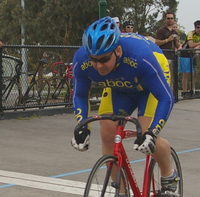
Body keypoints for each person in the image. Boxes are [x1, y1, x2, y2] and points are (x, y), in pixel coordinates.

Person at [71, 16, 178, 196]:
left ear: (118, 50)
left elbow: (166, 98)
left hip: (148, 85)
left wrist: (153, 133)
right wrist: (82, 126)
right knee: (106, 133)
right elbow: (80, 95)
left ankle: (169, 177)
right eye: (93, 59)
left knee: (145, 132)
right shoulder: (82, 60)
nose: (98, 65)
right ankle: (120, 191)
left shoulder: (141, 57)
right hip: (119, 86)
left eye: (104, 59)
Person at [155, 12, 181, 93]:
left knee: (172, 78)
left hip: (172, 57)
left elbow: (177, 45)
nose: (170, 20)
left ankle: (169, 94)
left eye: (171, 18)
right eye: (168, 18)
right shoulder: (161, 30)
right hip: (164, 57)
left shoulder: (175, 32)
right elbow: (157, 43)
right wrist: (167, 40)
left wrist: (176, 40)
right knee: (163, 77)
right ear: (165, 19)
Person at [187, 20, 200, 92]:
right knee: (186, 74)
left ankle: (192, 89)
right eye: (197, 27)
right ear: (195, 28)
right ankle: (185, 90)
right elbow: (190, 45)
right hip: (185, 55)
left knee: (195, 72)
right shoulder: (191, 33)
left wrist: (197, 46)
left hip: (194, 55)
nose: (199, 29)